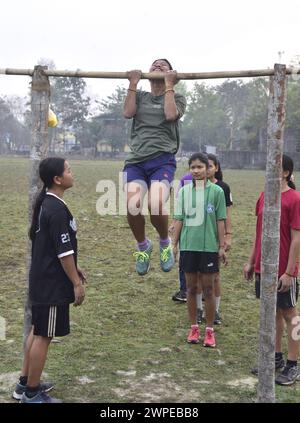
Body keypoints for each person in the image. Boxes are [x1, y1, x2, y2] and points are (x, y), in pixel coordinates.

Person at [13, 158, 86, 403]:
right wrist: (76, 282)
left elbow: (54, 247)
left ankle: (24, 384)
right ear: (57, 179)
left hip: (41, 280)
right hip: (52, 284)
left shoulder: (46, 203)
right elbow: (63, 252)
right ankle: (32, 394)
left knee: (37, 331)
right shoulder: (55, 209)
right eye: (68, 170)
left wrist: (76, 267)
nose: (71, 173)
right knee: (44, 335)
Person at [123, 59, 186, 276]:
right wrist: (133, 83)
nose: (158, 65)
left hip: (162, 159)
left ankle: (164, 242)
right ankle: (143, 246)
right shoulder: (140, 96)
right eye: (154, 64)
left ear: (171, 73)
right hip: (136, 160)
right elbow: (128, 113)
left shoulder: (177, 97)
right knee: (132, 204)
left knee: (156, 202)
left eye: (163, 65)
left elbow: (170, 115)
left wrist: (169, 85)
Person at [244, 154, 300, 385]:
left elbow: (297, 240)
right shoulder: (263, 196)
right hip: (263, 267)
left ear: (285, 173)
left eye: (275, 169)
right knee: (273, 313)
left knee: (290, 315)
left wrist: (289, 272)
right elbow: (258, 233)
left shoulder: (295, 199)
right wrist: (251, 261)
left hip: (284, 270)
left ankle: (294, 364)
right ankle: (275, 358)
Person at [172, 153, 227, 348]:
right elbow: (178, 219)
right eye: (192, 167)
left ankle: (209, 330)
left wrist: (222, 246)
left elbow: (221, 221)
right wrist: (174, 244)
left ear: (208, 169)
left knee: (208, 290)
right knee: (191, 289)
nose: (196, 171)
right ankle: (194, 327)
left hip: (209, 249)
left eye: (200, 167)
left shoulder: (217, 192)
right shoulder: (185, 192)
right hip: (188, 247)